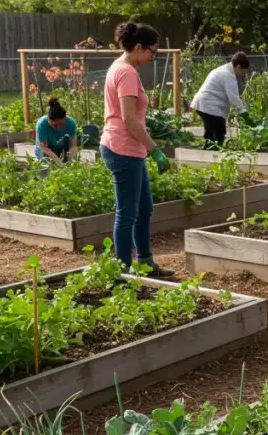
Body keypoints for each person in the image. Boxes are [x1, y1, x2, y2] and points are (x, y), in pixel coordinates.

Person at [101, 21, 175, 277]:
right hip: (122, 149)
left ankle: (145, 263)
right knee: (127, 213)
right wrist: (155, 150)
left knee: (143, 209)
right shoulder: (127, 73)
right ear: (139, 47)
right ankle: (122, 272)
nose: (153, 58)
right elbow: (129, 119)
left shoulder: (121, 68)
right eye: (152, 52)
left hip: (129, 149)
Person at [190, 51, 251, 146]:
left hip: (205, 104)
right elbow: (234, 98)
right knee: (219, 132)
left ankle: (209, 153)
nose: (242, 74)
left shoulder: (224, 70)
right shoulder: (228, 75)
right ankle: (215, 153)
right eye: (243, 72)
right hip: (209, 105)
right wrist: (244, 114)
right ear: (238, 66)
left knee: (211, 133)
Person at [34, 96, 78, 164]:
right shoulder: (42, 124)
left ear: (65, 118)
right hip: (44, 148)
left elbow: (72, 144)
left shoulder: (71, 123)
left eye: (61, 124)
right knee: (47, 164)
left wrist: (71, 155)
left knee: (65, 162)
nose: (58, 127)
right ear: (48, 119)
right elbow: (43, 146)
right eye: (54, 125)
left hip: (60, 145)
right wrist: (56, 159)